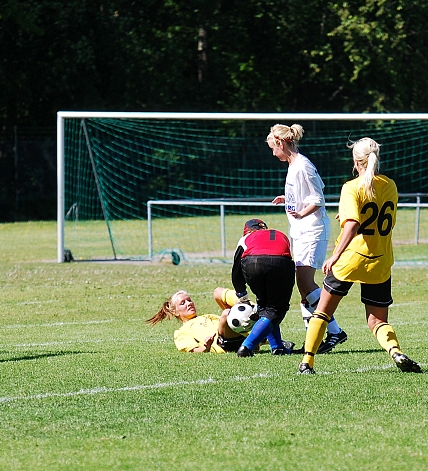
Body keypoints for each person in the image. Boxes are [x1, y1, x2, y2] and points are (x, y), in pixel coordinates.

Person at [298, 137, 421, 374]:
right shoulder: (390, 185)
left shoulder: (351, 187)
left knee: (322, 311)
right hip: (380, 259)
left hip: (351, 259)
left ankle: (307, 362)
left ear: (356, 161)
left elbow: (353, 224)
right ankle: (395, 351)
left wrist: (335, 256)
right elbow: (375, 216)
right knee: (377, 321)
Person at [268, 123, 348, 353]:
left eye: (273, 147)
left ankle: (334, 331)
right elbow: (305, 194)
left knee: (305, 283)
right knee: (303, 287)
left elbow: (318, 198)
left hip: (313, 230)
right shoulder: (293, 165)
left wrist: (301, 212)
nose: (273, 152)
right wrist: (289, 198)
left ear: (281, 143)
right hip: (301, 231)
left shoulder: (303, 165)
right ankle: (317, 335)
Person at [146, 287, 293, 354]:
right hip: (224, 344)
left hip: (239, 337)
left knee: (217, 292)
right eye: (183, 303)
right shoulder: (181, 332)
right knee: (226, 314)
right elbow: (193, 350)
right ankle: (253, 311)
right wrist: (206, 346)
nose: (189, 303)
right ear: (174, 311)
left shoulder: (207, 316)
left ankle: (251, 308)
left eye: (189, 300)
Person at [232, 219, 298, 357]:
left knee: (266, 307)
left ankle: (277, 347)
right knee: (275, 309)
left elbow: (236, 269)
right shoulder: (280, 234)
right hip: (280, 262)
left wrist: (241, 294)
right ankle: (247, 346)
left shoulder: (246, 237)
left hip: (252, 263)